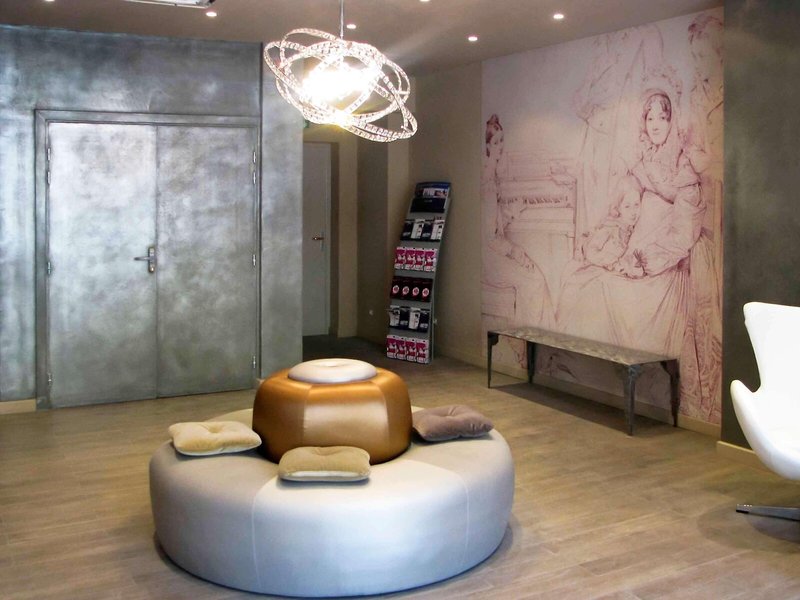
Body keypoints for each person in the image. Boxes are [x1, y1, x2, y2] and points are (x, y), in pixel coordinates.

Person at [581, 175, 643, 271]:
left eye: (636, 205)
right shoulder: (610, 227)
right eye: (627, 206)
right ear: (618, 207)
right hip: (597, 270)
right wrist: (611, 262)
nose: (633, 212)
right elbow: (590, 252)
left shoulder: (632, 231)